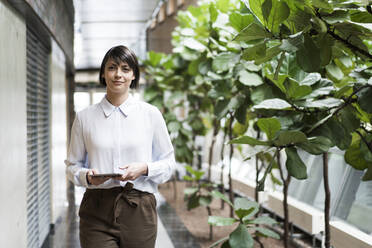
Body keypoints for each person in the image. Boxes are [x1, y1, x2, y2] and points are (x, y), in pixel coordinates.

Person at [65, 45, 175, 248]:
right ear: (103, 73)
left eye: (125, 69)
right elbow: (72, 166)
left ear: (133, 75)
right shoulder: (84, 118)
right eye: (112, 67)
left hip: (139, 207)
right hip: (96, 208)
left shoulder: (150, 114)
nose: (118, 74)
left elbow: (168, 163)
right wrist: (87, 176)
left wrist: (145, 168)